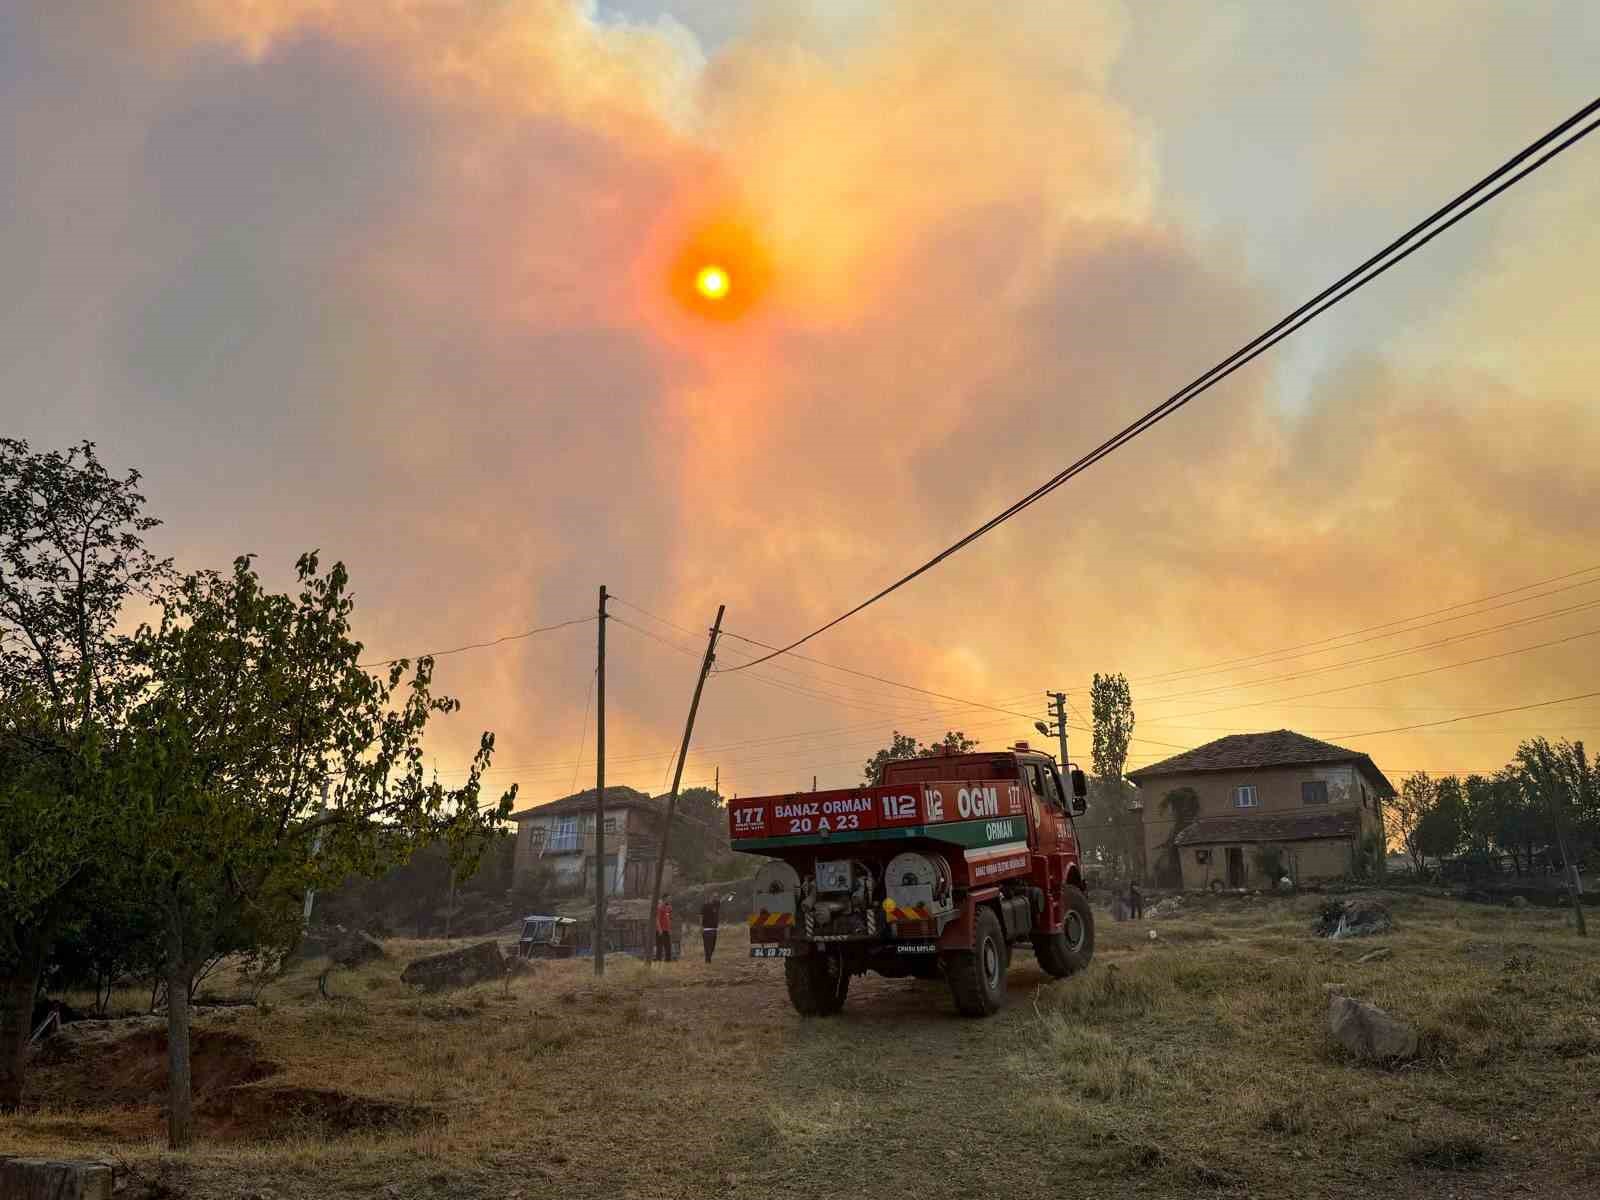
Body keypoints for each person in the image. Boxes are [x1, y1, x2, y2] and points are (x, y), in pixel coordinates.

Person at [700, 891, 723, 963]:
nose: (716, 898)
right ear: (710, 897)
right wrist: (701, 926)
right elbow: (701, 916)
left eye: (716, 897)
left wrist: (732, 895)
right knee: (707, 946)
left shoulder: (716, 905)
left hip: (714, 929)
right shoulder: (705, 906)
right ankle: (707, 960)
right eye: (714, 897)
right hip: (707, 929)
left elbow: (726, 900)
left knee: (712, 947)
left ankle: (708, 958)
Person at [654, 897, 673, 962]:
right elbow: (657, 919)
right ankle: (658, 960)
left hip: (667, 930)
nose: (669, 900)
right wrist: (659, 930)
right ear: (665, 899)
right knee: (659, 947)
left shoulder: (669, 907)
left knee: (668, 946)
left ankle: (668, 961)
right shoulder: (659, 907)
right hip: (661, 930)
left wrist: (670, 929)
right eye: (668, 898)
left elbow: (669, 919)